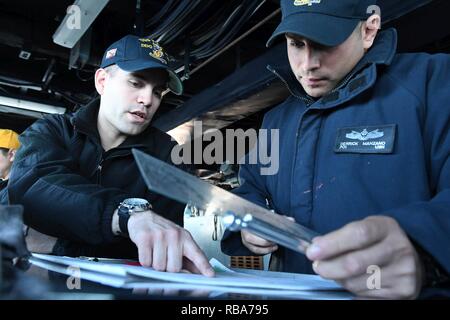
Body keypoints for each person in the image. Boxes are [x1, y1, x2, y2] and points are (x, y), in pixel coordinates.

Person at [221, 0, 450, 298]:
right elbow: (249, 187)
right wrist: (250, 222)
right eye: (295, 44)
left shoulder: (432, 83)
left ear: (368, 30)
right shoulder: (276, 120)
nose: (307, 64)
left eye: (324, 42)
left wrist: (424, 247)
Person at [6, 35, 214, 277]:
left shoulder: (168, 157)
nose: (148, 100)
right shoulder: (53, 131)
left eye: (157, 91)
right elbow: (32, 189)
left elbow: (154, 245)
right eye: (136, 83)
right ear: (102, 81)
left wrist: (55, 243)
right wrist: (127, 216)